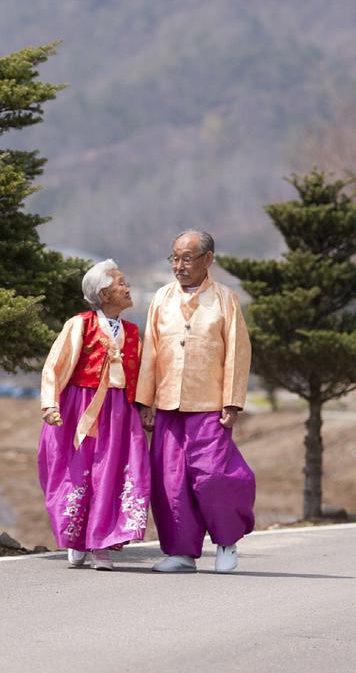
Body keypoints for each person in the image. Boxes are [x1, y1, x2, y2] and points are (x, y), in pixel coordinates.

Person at [137, 230, 255, 573]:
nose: (179, 265)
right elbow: (151, 352)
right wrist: (146, 401)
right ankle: (181, 552)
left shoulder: (225, 299)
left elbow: (237, 351)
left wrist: (232, 401)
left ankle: (226, 542)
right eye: (174, 258)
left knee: (215, 476)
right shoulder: (161, 298)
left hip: (210, 404)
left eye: (187, 258)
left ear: (208, 259)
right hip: (168, 404)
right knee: (170, 480)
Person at [38, 259, 151, 571]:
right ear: (103, 294)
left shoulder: (131, 331)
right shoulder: (80, 324)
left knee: (114, 473)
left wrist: (145, 408)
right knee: (78, 471)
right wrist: (51, 404)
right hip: (81, 408)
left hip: (119, 412)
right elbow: (56, 365)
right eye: (121, 283)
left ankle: (101, 543)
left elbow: (140, 374)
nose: (127, 288)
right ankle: (77, 538)